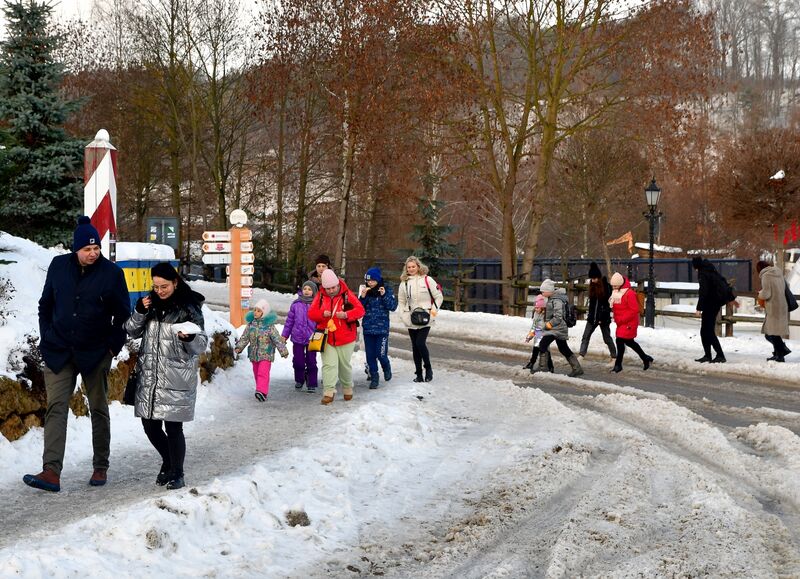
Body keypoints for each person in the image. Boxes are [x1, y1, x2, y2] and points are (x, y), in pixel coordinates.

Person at [24, 216, 131, 492]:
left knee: (98, 407)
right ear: (76, 249)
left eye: (96, 248)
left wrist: (112, 347)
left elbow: (123, 316)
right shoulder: (59, 266)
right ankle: (51, 472)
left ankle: (100, 465)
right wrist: (46, 336)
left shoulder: (112, 274)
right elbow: (45, 305)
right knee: (56, 407)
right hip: (59, 349)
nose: (93, 253)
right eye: (87, 249)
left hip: (95, 352)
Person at [124, 262, 208, 490]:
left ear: (175, 282)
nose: (159, 291)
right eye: (156, 286)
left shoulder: (189, 307)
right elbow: (131, 331)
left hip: (176, 377)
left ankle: (177, 473)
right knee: (150, 426)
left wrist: (189, 339)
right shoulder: (149, 305)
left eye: (164, 286)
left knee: (173, 429)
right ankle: (168, 461)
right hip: (150, 376)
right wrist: (139, 312)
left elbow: (201, 343)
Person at [308, 269, 365, 405]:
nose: (331, 290)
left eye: (333, 287)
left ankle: (347, 388)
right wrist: (322, 314)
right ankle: (328, 392)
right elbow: (311, 313)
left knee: (344, 365)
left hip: (346, 337)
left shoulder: (347, 294)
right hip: (327, 337)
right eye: (328, 288)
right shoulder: (320, 296)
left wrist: (346, 315)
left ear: (338, 284)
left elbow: (360, 310)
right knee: (329, 365)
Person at [398, 256, 444, 382]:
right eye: (409, 267)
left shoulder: (428, 280)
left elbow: (439, 297)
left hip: (426, 318)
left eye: (413, 266)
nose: (411, 269)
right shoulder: (404, 283)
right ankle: (418, 374)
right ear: (406, 269)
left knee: (420, 343)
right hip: (411, 318)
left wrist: (433, 313)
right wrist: (403, 316)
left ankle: (428, 368)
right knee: (414, 346)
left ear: (418, 266)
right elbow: (401, 301)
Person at [235, 298, 289, 401]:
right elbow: (245, 337)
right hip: (254, 354)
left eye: (259, 311)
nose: (255, 312)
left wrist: (283, 351)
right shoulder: (250, 325)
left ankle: (262, 391)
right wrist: (239, 347)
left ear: (264, 313)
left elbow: (277, 339)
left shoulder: (269, 327)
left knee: (262, 372)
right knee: (256, 372)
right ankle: (260, 389)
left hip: (266, 354)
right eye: (255, 310)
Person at [359, 266, 398, 389]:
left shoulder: (386, 289)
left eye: (372, 280)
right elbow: (359, 310)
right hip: (368, 329)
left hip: (382, 330)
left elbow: (392, 307)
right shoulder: (366, 291)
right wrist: (363, 297)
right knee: (370, 355)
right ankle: (374, 377)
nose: (369, 283)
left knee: (381, 354)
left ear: (378, 280)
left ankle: (386, 367)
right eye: (368, 280)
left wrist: (384, 295)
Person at [692, 256, 737, 363]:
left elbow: (703, 291)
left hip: (710, 304)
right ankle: (708, 355)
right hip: (715, 303)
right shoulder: (710, 269)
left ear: (696, 265)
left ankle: (719, 355)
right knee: (705, 330)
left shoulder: (703, 273)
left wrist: (699, 308)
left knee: (707, 331)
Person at [535, 279, 583, 377]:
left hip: (557, 328)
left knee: (543, 344)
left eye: (543, 291)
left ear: (550, 291)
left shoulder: (556, 300)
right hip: (557, 328)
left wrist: (549, 325)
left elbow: (558, 317)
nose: (542, 293)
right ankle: (577, 368)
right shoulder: (552, 299)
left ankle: (543, 367)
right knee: (563, 348)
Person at [609, 272, 653, 373]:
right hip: (621, 322)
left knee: (620, 341)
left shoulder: (629, 293)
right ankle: (645, 358)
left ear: (620, 284)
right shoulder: (616, 293)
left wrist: (621, 319)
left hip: (629, 322)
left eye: (615, 286)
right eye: (613, 286)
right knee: (629, 342)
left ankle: (618, 365)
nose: (614, 288)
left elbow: (634, 310)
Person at [282, 281, 320, 392]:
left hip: (313, 338)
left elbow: (320, 321)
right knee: (298, 361)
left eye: (309, 289)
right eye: (305, 289)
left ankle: (312, 382)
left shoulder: (317, 305)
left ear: (314, 292)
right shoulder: (296, 304)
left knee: (311, 361)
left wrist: (320, 333)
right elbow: (289, 321)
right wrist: (285, 335)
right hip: (297, 337)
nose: (307, 291)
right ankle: (299, 379)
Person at [579, 262, 616, 359]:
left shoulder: (607, 287)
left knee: (607, 338)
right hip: (592, 318)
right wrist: (591, 316)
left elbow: (607, 305)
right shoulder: (592, 287)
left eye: (595, 278)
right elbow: (592, 305)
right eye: (591, 279)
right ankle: (581, 355)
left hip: (603, 318)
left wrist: (601, 317)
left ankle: (614, 356)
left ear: (599, 278)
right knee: (585, 336)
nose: (593, 280)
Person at [756, 260, 791, 362]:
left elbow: (766, 294)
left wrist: (759, 293)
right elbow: (787, 286)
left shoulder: (766, 276)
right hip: (782, 305)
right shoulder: (778, 272)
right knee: (774, 333)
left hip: (773, 307)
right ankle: (778, 354)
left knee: (770, 333)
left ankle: (781, 353)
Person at [524, 293, 554, 373]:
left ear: (542, 308)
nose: (536, 309)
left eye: (538, 308)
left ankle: (549, 366)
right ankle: (532, 363)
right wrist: (530, 336)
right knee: (536, 348)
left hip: (545, 333)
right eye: (535, 307)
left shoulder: (546, 315)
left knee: (545, 349)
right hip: (538, 332)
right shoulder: (536, 314)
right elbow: (534, 325)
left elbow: (549, 325)